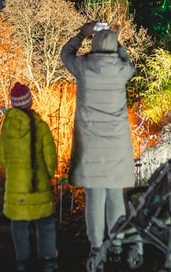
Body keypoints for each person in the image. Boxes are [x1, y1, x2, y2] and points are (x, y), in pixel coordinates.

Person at [60, 21, 137, 264]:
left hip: (91, 144)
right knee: (115, 195)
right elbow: (127, 60)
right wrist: (115, 40)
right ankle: (115, 244)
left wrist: (83, 33)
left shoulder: (83, 67)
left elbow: (65, 54)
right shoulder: (122, 70)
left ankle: (96, 248)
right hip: (116, 145)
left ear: (93, 45)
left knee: (95, 197)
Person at [0, 82, 59, 272]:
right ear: (29, 102)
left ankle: (23, 261)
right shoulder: (40, 125)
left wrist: (13, 173)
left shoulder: (6, 127)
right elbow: (50, 157)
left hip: (17, 186)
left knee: (19, 224)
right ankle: (48, 259)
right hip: (38, 184)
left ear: (14, 103)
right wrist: (49, 175)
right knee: (45, 222)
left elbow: (2, 157)